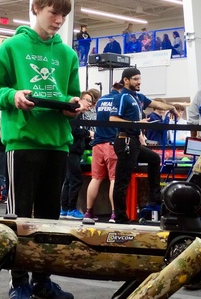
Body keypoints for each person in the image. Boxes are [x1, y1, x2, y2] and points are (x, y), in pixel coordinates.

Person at [0, 0, 90, 299]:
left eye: (63, 15)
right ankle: (19, 283)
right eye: (53, 13)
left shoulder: (67, 53)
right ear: (36, 9)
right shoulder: (11, 48)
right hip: (23, 141)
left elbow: (70, 93)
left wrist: (76, 103)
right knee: (18, 215)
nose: (58, 20)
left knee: (50, 218)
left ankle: (43, 280)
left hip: (57, 142)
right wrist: (12, 96)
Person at [110, 68, 182, 224]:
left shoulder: (138, 97)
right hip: (125, 141)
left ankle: (154, 198)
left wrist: (171, 107)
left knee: (154, 158)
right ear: (126, 80)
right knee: (122, 181)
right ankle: (121, 218)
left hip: (134, 141)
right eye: (135, 79)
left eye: (139, 78)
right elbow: (113, 119)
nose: (139, 82)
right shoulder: (122, 97)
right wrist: (136, 123)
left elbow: (155, 103)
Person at [60, 88, 100, 218]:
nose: (90, 103)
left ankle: (65, 209)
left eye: (91, 101)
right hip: (71, 150)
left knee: (69, 180)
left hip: (75, 151)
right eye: (87, 100)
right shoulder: (74, 114)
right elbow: (74, 130)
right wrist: (89, 133)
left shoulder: (81, 116)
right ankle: (71, 209)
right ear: (80, 99)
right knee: (75, 180)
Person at [84, 85, 121, 222]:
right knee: (114, 179)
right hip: (112, 143)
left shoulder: (100, 101)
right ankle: (114, 213)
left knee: (96, 178)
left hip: (97, 144)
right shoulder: (120, 100)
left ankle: (88, 212)